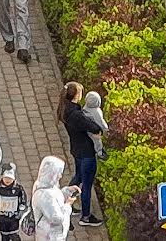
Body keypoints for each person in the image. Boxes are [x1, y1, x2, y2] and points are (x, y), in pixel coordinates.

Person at [58, 82, 105, 226]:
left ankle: (63, 201)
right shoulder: (77, 115)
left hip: (76, 149)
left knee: (78, 177)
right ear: (76, 95)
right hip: (86, 152)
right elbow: (95, 128)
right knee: (86, 184)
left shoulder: (65, 108)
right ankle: (86, 216)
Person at [28, 155, 75, 241]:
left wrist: (67, 191)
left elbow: (55, 199)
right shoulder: (45, 196)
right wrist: (67, 206)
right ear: (52, 173)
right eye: (58, 172)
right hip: (50, 237)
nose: (60, 176)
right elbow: (57, 218)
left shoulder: (45, 185)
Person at [0, 160, 26, 239]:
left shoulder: (18, 189)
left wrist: (21, 211)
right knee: (4, 236)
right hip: (2, 218)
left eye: (10, 178)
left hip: (14, 218)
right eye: (6, 177)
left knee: (14, 235)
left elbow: (23, 201)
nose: (8, 180)